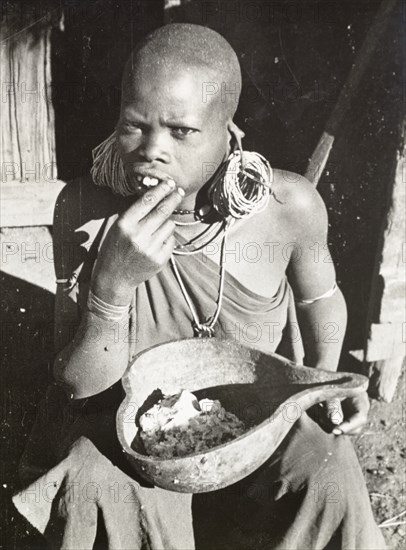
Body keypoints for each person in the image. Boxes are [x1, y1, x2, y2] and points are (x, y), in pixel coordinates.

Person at [13, 23, 386, 550]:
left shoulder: (288, 209)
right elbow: (78, 386)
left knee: (328, 470)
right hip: (132, 438)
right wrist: (112, 288)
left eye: (181, 131)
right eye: (133, 126)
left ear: (228, 135)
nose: (152, 150)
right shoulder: (88, 212)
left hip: (254, 426)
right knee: (89, 479)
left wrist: (323, 381)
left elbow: (319, 299)